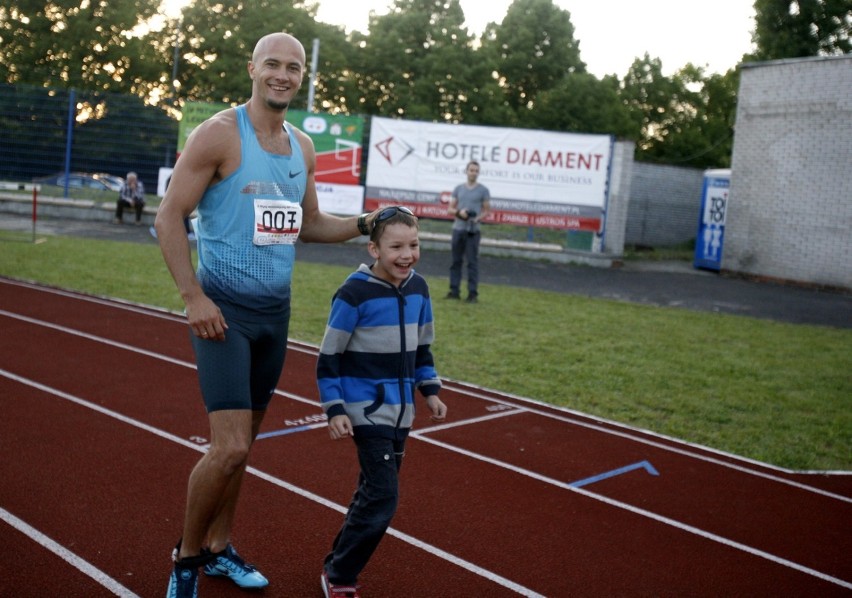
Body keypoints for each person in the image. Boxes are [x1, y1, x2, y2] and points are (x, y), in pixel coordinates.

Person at [153, 32, 379, 598]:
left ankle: (219, 547)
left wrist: (366, 224)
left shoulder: (302, 147)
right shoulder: (219, 135)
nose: (282, 75)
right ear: (253, 68)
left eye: (293, 68)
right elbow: (168, 217)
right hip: (221, 314)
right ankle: (185, 560)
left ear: (303, 77)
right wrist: (193, 298)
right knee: (227, 447)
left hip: (273, 318)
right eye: (273, 64)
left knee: (244, 449)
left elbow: (310, 224)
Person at [317, 205, 447, 598]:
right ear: (374, 249)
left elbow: (422, 348)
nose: (407, 254)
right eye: (396, 247)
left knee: (371, 490)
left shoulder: (419, 289)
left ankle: (335, 564)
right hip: (365, 409)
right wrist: (335, 408)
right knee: (384, 497)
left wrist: (430, 390)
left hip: (402, 411)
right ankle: (340, 575)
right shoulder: (354, 293)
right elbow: (329, 356)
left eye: (414, 244)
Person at [446, 160, 490, 303]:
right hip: (458, 229)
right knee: (455, 261)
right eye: (471, 170)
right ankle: (454, 291)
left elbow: (487, 211)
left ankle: (472, 294)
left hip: (473, 231)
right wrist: (460, 212)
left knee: (472, 263)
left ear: (478, 173)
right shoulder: (458, 188)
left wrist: (477, 218)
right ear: (467, 171)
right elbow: (450, 209)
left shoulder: (483, 190)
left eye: (476, 171)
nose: (473, 173)